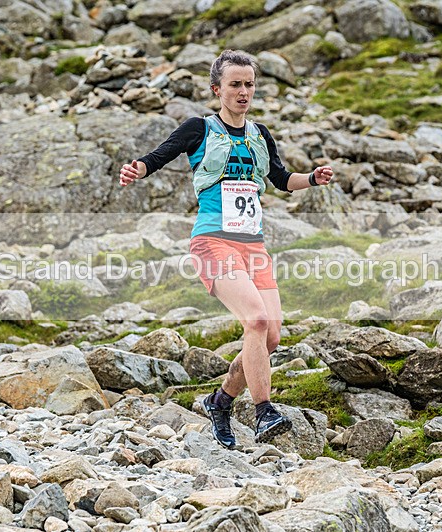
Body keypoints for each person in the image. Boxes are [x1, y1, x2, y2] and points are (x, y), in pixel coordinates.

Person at [119, 49, 334, 449]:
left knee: (269, 338)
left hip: (253, 246)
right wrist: (138, 169)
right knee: (253, 321)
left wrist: (314, 179)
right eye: (235, 84)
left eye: (249, 84)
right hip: (213, 241)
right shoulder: (199, 128)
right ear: (217, 89)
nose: (243, 91)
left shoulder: (259, 134)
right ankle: (264, 410)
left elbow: (282, 179)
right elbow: (160, 155)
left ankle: (220, 402)